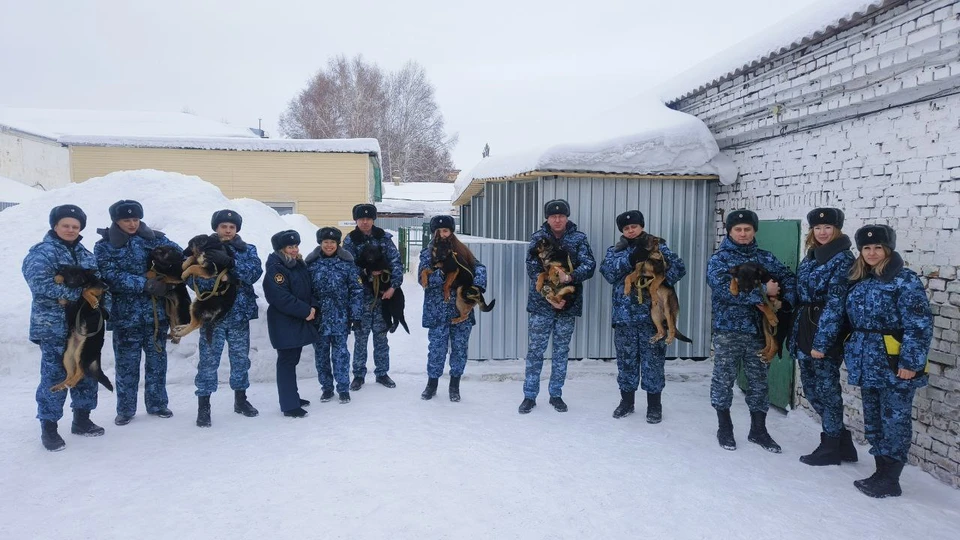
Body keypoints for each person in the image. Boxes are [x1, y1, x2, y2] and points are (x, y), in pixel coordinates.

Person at [845, 224, 931, 498]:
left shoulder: (905, 280)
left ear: (888, 249)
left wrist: (911, 363)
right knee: (874, 420)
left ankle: (891, 479)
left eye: (878, 248)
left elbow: (919, 325)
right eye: (866, 248)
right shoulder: (860, 279)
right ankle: (881, 472)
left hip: (894, 364)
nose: (872, 253)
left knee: (895, 420)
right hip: (866, 363)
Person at [706, 209, 796, 452]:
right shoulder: (720, 260)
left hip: (760, 332)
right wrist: (764, 292)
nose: (743, 233)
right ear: (730, 231)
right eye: (738, 229)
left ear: (754, 231)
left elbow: (788, 278)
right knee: (723, 379)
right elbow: (725, 291)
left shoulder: (765, 257)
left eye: (747, 229)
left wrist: (783, 297)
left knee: (759, 382)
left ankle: (759, 430)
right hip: (729, 330)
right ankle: (725, 427)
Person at [23, 205, 106, 451]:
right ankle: (49, 427)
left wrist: (102, 307)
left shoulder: (85, 253)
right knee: (56, 374)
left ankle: (82, 419)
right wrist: (78, 293)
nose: (71, 230)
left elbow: (98, 284)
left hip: (84, 325)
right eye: (65, 225)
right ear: (55, 226)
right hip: (54, 327)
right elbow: (40, 285)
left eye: (75, 226)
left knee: (86, 371)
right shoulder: (42, 252)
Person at [95, 200, 182, 426]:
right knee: (126, 366)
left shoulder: (155, 239)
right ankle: (125, 409)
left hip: (156, 314)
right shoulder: (104, 246)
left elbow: (179, 256)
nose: (132, 224)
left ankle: (157, 404)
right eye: (126, 220)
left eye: (135, 219)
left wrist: (168, 272)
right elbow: (109, 275)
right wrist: (146, 284)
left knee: (157, 362)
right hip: (125, 316)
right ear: (116, 221)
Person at [600, 210, 686, 423]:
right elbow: (608, 273)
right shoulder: (615, 251)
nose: (631, 230)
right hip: (625, 318)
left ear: (642, 226)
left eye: (634, 226)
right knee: (626, 362)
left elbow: (679, 268)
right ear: (622, 231)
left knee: (653, 363)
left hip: (652, 318)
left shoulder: (657, 246)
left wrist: (657, 278)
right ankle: (626, 402)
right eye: (626, 228)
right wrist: (631, 259)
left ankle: (654, 406)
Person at [790, 208, 858, 465]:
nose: (822, 232)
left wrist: (822, 342)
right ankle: (843, 443)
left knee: (827, 391)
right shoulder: (811, 256)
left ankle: (830, 446)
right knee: (811, 389)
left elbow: (836, 304)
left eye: (828, 227)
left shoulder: (843, 259)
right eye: (817, 228)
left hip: (824, 330)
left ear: (837, 229)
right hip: (805, 326)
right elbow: (800, 291)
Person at [519, 199, 596, 414]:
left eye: (561, 216)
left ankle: (556, 394)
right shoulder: (538, 238)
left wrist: (570, 277)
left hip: (567, 303)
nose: (557, 220)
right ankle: (529, 396)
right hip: (542, 305)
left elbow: (589, 265)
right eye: (553, 216)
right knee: (536, 351)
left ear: (567, 217)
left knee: (561, 351)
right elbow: (533, 270)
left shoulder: (579, 239)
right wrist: (550, 296)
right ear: (547, 218)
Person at [188, 210, 263, 428]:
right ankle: (204, 407)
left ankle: (241, 400)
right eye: (224, 226)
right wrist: (215, 278)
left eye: (232, 227)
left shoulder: (247, 249)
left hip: (239, 315)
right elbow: (193, 279)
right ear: (216, 228)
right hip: (213, 315)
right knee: (208, 362)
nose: (228, 230)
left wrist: (231, 265)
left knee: (240, 360)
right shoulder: (202, 248)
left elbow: (254, 273)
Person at [417, 215, 488, 402]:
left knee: (459, 348)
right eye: (438, 231)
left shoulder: (462, 251)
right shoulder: (427, 253)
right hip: (437, 310)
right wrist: (442, 273)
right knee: (436, 349)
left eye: (446, 230)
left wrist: (477, 286)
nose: (442, 234)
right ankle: (432, 384)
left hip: (460, 310)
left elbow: (479, 268)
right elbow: (422, 280)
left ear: (451, 232)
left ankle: (454, 385)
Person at [341, 203, 402, 390]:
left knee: (381, 336)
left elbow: (396, 262)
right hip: (361, 297)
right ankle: (358, 375)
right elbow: (348, 267)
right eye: (361, 219)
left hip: (383, 296)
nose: (365, 222)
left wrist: (393, 286)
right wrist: (367, 273)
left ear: (373, 220)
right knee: (361, 337)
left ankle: (382, 373)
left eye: (368, 219)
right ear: (356, 220)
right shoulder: (350, 241)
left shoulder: (384, 238)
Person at [263, 230, 318, 418]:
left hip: (297, 320)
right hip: (284, 322)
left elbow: (309, 289)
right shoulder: (276, 268)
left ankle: (292, 397)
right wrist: (305, 311)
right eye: (290, 247)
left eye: (295, 246)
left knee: (292, 360)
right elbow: (279, 297)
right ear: (281, 249)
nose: (294, 250)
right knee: (286, 362)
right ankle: (289, 405)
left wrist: (313, 306)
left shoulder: (297, 264)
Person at [305, 227, 363, 404]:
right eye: (325, 242)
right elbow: (305, 291)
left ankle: (343, 389)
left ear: (338, 244)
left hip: (340, 318)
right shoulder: (311, 265)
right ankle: (327, 388)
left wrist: (356, 315)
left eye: (332, 242)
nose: (329, 245)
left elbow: (356, 290)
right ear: (320, 243)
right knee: (321, 356)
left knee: (341, 355)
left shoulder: (347, 264)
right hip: (319, 320)